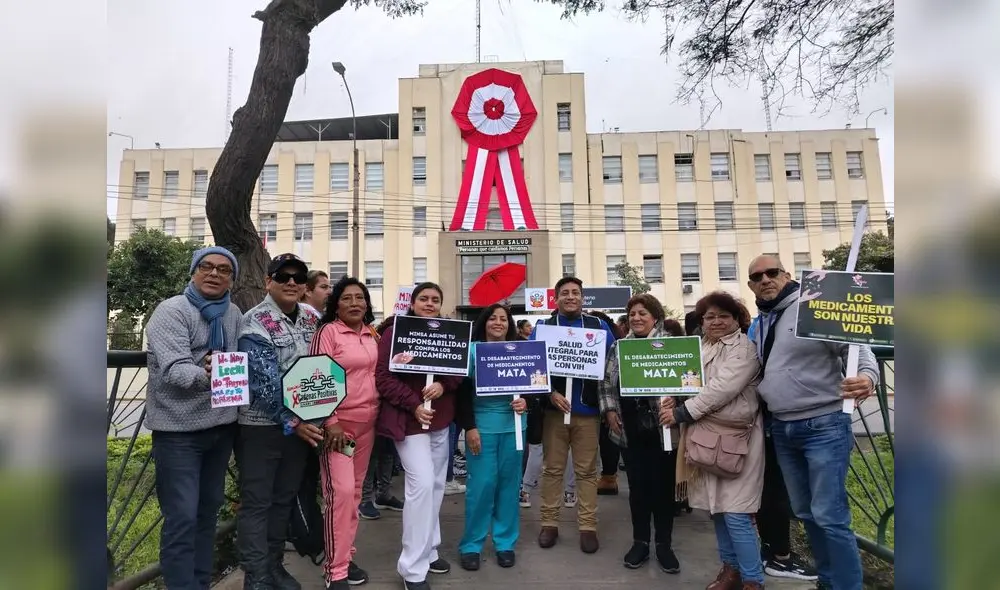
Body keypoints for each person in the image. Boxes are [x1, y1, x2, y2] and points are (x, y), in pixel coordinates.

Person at [747, 255, 877, 590]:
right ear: (751, 286)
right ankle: (829, 581)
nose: (764, 279)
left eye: (771, 272)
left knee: (831, 516)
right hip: (782, 427)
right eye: (756, 276)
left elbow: (856, 344)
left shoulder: (815, 304)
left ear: (786, 274)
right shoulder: (761, 321)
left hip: (824, 425)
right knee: (805, 513)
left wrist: (867, 377)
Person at [144, 246, 243, 590]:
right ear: (193, 272)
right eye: (206, 267)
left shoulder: (233, 313)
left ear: (232, 279)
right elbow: (175, 371)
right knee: (182, 518)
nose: (214, 274)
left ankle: (200, 583)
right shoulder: (171, 310)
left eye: (223, 270)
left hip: (221, 428)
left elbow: (239, 360)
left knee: (206, 514)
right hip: (178, 433)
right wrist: (210, 372)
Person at [661, 291, 766, 589]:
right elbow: (685, 380)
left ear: (737, 319)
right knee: (716, 509)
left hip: (737, 440)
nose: (716, 321)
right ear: (702, 322)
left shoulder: (744, 349)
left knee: (736, 512)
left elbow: (721, 389)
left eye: (723, 316)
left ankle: (753, 580)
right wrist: (670, 398)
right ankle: (730, 570)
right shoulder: (700, 348)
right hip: (704, 437)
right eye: (709, 317)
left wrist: (682, 413)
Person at [236, 253, 320, 590]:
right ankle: (255, 576)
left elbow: (323, 368)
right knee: (257, 502)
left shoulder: (311, 319)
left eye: (298, 277)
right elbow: (263, 383)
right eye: (282, 276)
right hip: (261, 428)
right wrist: (294, 421)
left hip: (300, 428)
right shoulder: (253, 321)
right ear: (268, 281)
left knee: (284, 499)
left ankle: (274, 566)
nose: (291, 282)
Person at [375, 282, 464, 590]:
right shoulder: (393, 333)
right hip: (409, 424)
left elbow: (458, 370)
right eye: (423, 299)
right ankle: (412, 569)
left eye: (435, 299)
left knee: (436, 486)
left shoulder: (450, 332)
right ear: (412, 304)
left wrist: (443, 384)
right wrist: (413, 404)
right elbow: (382, 378)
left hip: (441, 422)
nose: (429, 303)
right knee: (422, 486)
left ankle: (429, 549)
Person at [531, 276, 617, 554]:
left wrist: (609, 407)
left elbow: (612, 366)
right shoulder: (543, 328)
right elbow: (532, 367)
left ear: (582, 298)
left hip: (588, 413)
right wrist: (549, 393)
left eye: (576, 293)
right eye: (565, 293)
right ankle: (549, 523)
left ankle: (588, 527)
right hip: (555, 413)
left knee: (587, 472)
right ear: (556, 299)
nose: (571, 297)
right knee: (553, 470)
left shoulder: (598, 326)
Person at [598, 294, 681, 573]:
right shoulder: (619, 348)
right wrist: (610, 412)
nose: (636, 318)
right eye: (632, 313)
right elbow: (606, 384)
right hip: (629, 429)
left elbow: (691, 382)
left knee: (663, 490)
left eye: (642, 313)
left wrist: (676, 403)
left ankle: (664, 545)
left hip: (664, 431)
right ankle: (641, 542)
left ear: (655, 317)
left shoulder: (673, 346)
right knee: (638, 490)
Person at [311, 276, 380, 589]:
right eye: (347, 298)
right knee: (338, 496)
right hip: (339, 429)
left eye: (360, 298)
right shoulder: (328, 332)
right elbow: (316, 376)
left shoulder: (371, 334)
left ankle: (345, 556)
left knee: (352, 495)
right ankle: (335, 572)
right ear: (335, 304)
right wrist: (331, 421)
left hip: (368, 426)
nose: (355, 303)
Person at [455, 304, 529, 571]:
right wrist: (469, 427)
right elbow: (462, 394)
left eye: (504, 319)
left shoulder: (522, 350)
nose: (498, 323)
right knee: (482, 486)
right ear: (484, 322)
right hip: (482, 426)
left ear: (509, 324)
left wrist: (526, 402)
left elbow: (535, 383)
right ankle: (471, 544)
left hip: (515, 427)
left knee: (509, 487)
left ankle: (505, 543)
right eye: (493, 318)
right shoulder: (472, 351)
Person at [358, 317, 405, 520]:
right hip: (370, 402)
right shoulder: (372, 338)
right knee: (371, 454)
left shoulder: (376, 335)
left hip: (391, 404)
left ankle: (383, 495)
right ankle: (364, 499)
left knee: (387, 452)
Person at [588, 310, 624, 496]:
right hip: (598, 396)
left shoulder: (614, 343)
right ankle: (609, 477)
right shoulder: (616, 338)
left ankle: (609, 477)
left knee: (609, 437)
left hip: (606, 397)